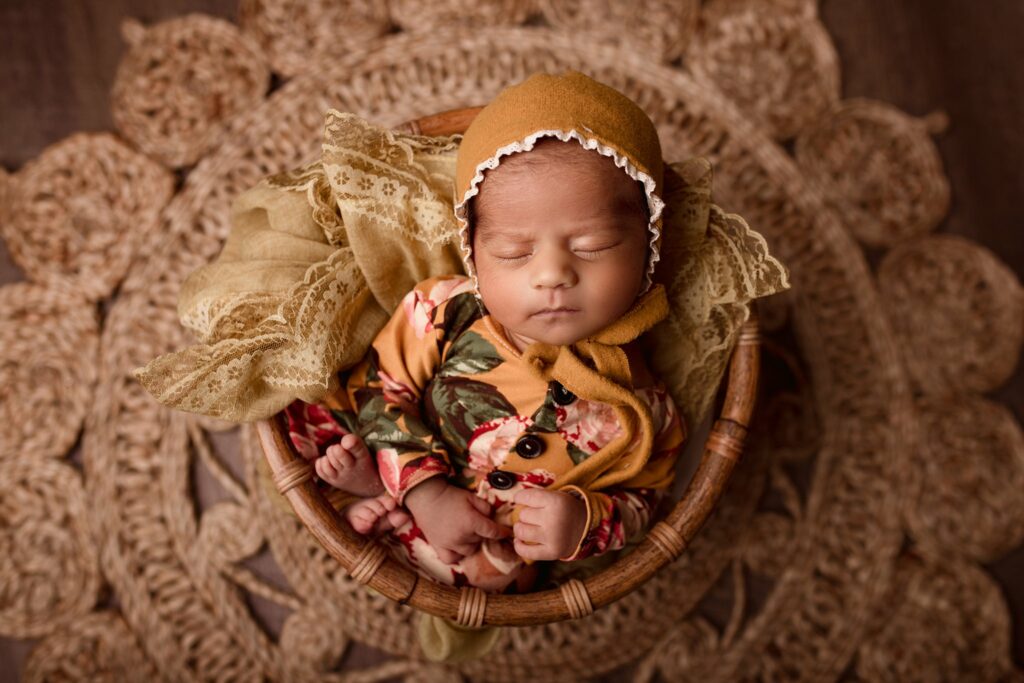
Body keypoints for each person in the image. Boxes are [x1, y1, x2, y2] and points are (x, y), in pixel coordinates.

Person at [284, 71, 685, 593]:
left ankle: (383, 507)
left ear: (648, 248)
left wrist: (581, 524)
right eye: (514, 253)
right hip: (409, 463)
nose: (552, 275)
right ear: (474, 255)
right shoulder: (448, 309)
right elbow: (379, 386)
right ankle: (382, 489)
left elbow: (644, 500)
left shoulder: (646, 407)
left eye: (594, 245)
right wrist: (424, 491)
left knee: (502, 578)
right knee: (319, 418)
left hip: (487, 552)